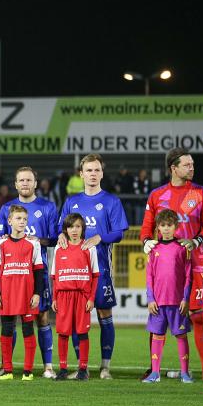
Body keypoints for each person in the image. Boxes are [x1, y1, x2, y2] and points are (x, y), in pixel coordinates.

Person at [139, 149, 203, 382]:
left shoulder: (200, 192)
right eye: (187, 165)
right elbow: (146, 227)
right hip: (165, 268)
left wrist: (197, 241)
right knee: (157, 316)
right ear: (173, 168)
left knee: (197, 315)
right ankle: (153, 368)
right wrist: (146, 242)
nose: (192, 168)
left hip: (194, 264)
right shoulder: (157, 195)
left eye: (192, 164)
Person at [57, 153, 128, 380]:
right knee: (76, 317)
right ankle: (82, 367)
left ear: (102, 174)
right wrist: (60, 234)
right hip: (75, 272)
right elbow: (61, 227)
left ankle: (105, 367)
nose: (93, 174)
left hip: (101, 269)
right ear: (81, 174)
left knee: (104, 313)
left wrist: (100, 237)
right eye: (89, 170)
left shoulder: (111, 201)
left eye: (97, 170)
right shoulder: (72, 202)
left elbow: (119, 233)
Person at [0, 167, 59, 378]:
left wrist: (36, 241)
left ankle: (48, 366)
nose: (25, 183)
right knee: (10, 319)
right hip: (12, 275)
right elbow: (0, 238)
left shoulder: (48, 207)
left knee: (42, 316)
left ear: (35, 183)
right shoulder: (6, 208)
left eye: (29, 180)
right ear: (15, 184)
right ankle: (7, 367)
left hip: (37, 272)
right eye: (21, 180)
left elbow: (54, 238)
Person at [0, 205, 44, 381]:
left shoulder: (33, 243)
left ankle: (28, 372)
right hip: (7, 293)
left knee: (28, 330)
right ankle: (7, 371)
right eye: (18, 218)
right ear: (9, 221)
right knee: (7, 330)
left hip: (27, 294)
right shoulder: (1, 243)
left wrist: (37, 293)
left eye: (24, 219)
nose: (22, 222)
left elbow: (39, 270)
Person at [142, 209, 194, 384]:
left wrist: (185, 298)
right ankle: (155, 373)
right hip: (158, 302)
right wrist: (150, 299)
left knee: (181, 335)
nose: (166, 228)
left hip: (177, 302)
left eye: (169, 225)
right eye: (162, 225)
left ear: (175, 226)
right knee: (157, 336)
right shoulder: (153, 249)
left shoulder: (182, 248)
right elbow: (149, 276)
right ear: (158, 227)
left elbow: (188, 276)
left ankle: (185, 373)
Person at [51, 214, 99, 381]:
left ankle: (83, 369)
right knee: (63, 333)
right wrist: (54, 298)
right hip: (63, 296)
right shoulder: (59, 249)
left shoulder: (89, 248)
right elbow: (54, 276)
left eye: (78, 226)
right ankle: (63, 369)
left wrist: (91, 298)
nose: (74, 230)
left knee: (82, 332)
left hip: (82, 296)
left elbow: (95, 276)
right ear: (66, 229)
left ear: (82, 228)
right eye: (71, 227)